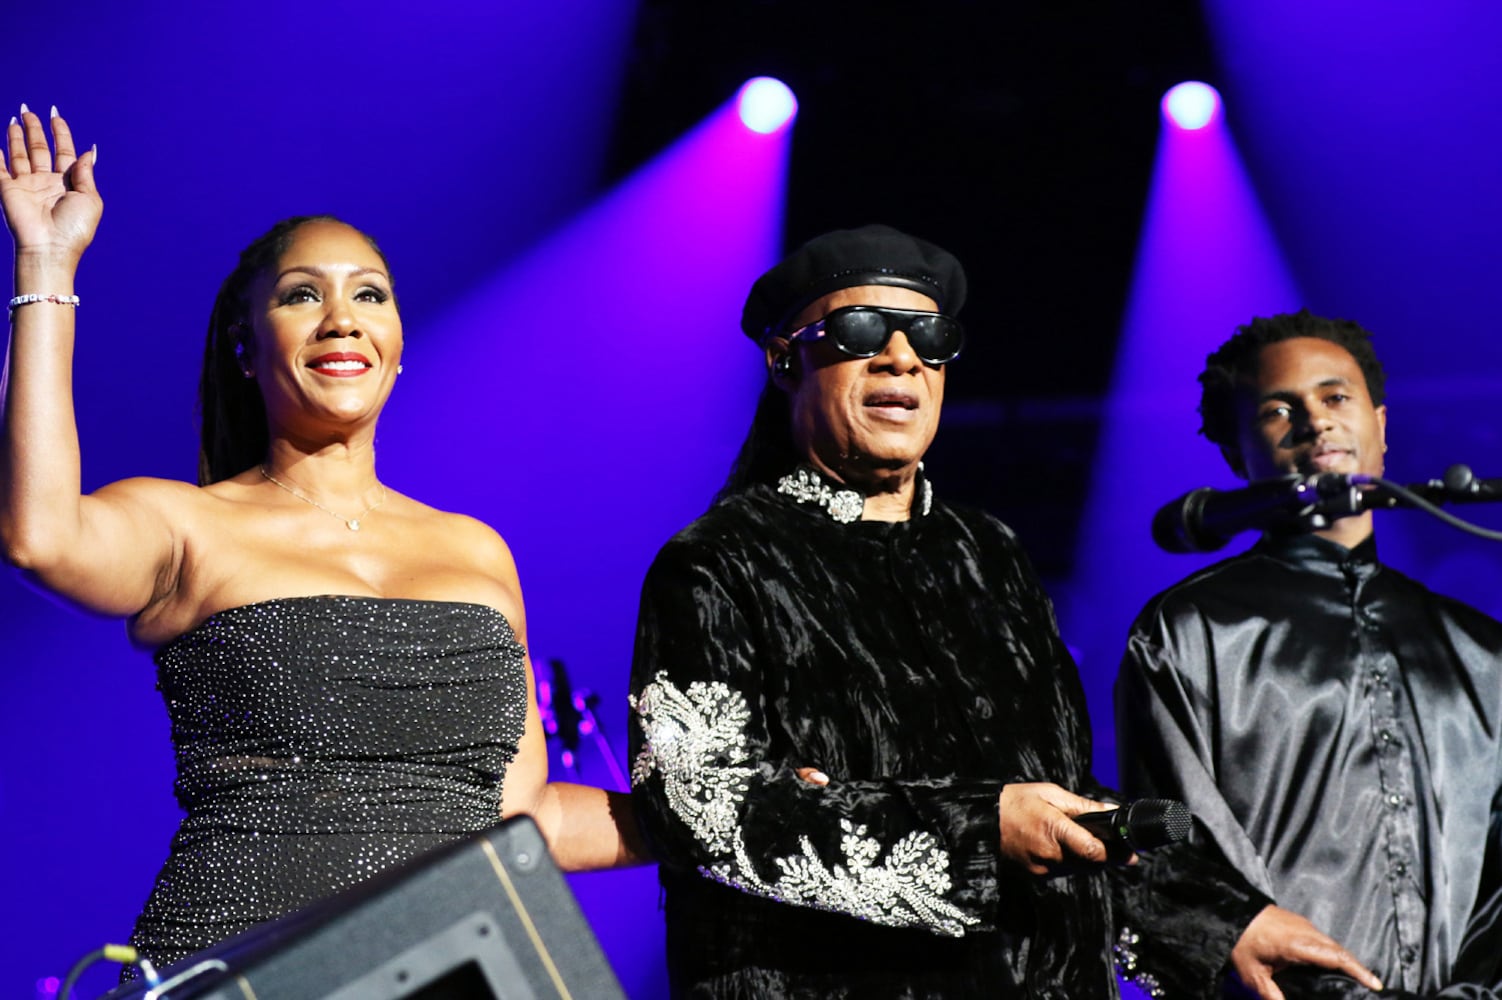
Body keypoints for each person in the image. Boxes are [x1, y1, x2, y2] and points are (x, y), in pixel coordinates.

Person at [626, 226, 1382, 998]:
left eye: (929, 336)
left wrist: (1224, 922)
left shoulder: (988, 553)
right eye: (859, 332)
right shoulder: (719, 563)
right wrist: (980, 828)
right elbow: (700, 809)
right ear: (786, 360)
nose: (900, 356)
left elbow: (1063, 797)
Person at [0, 107, 640, 969]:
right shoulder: (188, 526)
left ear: (397, 346)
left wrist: (724, 815)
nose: (342, 317)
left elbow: (523, 817)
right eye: (304, 295)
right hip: (251, 968)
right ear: (246, 348)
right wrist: (45, 265)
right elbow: (39, 535)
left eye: (369, 294)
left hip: (456, 969)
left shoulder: (478, 551)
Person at [1115, 310, 1502, 997]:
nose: (1316, 422)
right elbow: (1176, 863)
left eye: (1335, 397)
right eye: (1277, 408)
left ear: (1381, 426)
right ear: (1237, 452)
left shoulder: (1481, 649)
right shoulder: (1189, 632)